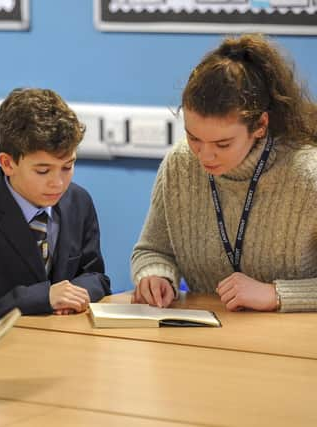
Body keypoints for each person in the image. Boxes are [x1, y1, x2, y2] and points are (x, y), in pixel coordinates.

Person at [131, 34, 317, 312]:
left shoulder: (307, 176)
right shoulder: (180, 164)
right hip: (207, 337)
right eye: (193, 138)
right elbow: (153, 250)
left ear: (260, 126)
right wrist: (156, 275)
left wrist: (275, 294)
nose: (204, 155)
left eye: (222, 144)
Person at [0, 88, 111, 321]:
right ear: (8, 164)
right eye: (43, 170)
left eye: (68, 167)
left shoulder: (79, 202)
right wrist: (44, 297)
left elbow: (96, 276)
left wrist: (75, 294)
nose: (58, 183)